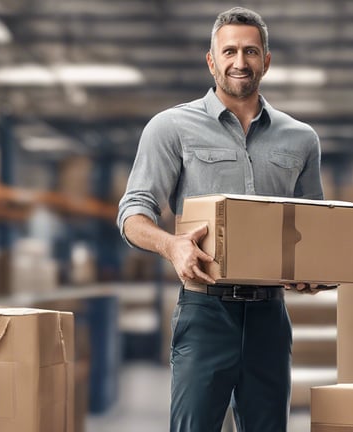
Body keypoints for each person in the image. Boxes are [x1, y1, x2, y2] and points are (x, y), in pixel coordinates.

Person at [117, 7, 325, 431]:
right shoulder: (171, 127)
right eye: (229, 51)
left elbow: (313, 227)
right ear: (211, 60)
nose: (240, 62)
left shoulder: (301, 138)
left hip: (270, 317)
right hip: (205, 311)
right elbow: (132, 213)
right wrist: (171, 245)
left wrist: (313, 273)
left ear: (267, 60)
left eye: (251, 51)